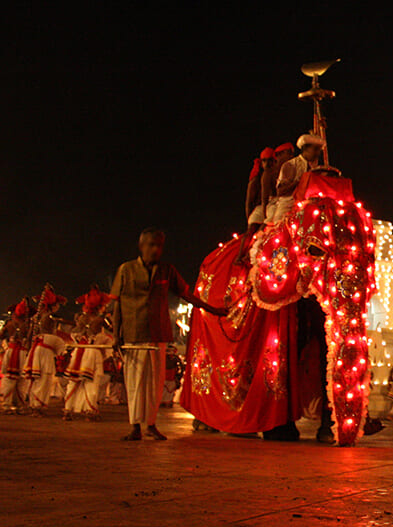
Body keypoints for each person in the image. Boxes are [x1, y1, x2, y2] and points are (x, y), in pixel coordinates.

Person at [111, 228, 226, 441]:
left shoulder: (167, 271)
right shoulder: (125, 270)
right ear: (141, 245)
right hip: (133, 334)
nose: (155, 249)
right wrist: (115, 335)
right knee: (135, 381)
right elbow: (116, 303)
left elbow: (186, 295)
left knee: (155, 382)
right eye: (151, 245)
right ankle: (135, 425)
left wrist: (214, 310)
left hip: (158, 334)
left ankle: (151, 425)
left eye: (159, 245)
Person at [63, 286, 114, 420]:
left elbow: (74, 334)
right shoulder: (101, 320)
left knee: (74, 382)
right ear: (101, 306)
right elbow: (113, 330)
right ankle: (90, 411)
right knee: (91, 383)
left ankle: (68, 410)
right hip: (92, 352)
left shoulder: (80, 318)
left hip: (79, 351)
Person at [24, 285, 68, 416]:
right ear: (53, 305)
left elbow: (30, 336)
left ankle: (34, 405)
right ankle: (37, 407)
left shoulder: (36, 318)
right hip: (45, 350)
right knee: (44, 379)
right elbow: (52, 338)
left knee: (37, 379)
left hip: (36, 349)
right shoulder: (49, 319)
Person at [266, 134, 324, 223]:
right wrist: (301, 181)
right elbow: (280, 191)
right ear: (305, 149)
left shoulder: (316, 168)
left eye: (319, 150)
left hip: (308, 207)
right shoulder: (290, 165)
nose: (318, 153)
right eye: (315, 149)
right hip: (288, 206)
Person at [0, 298, 34, 414]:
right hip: (19, 352)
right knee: (19, 380)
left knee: (16, 380)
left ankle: (10, 405)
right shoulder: (28, 326)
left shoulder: (12, 325)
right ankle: (14, 405)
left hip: (16, 351)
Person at [245, 147, 275, 230]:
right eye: (264, 160)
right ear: (261, 163)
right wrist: (249, 221)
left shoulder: (278, 174)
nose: (267, 163)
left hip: (273, 206)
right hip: (260, 208)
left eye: (270, 160)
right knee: (252, 229)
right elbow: (249, 203)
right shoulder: (256, 180)